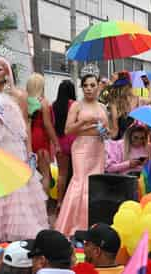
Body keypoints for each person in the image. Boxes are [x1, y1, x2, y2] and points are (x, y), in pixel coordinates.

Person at [0, 57, 48, 243]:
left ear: (7, 73)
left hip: (12, 147)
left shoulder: (19, 96)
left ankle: (14, 232)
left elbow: (25, 125)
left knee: (15, 189)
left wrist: (29, 152)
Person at [55, 74, 109, 236]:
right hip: (82, 147)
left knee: (95, 184)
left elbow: (109, 131)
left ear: (98, 86)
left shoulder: (102, 107)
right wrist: (84, 123)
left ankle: (91, 224)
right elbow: (67, 130)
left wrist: (104, 131)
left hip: (98, 146)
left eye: (92, 85)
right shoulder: (77, 106)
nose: (89, 89)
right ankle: (70, 225)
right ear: (82, 88)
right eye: (86, 86)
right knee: (79, 182)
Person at [27, 73, 60, 194]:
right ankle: (43, 206)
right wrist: (56, 143)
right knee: (45, 175)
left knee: (30, 175)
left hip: (28, 139)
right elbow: (47, 125)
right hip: (41, 139)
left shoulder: (24, 102)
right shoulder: (43, 102)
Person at [52, 80, 77, 210]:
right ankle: (71, 204)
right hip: (74, 142)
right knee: (75, 175)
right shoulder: (74, 105)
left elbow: (52, 125)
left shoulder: (54, 106)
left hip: (59, 142)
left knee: (62, 174)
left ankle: (59, 202)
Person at [108, 71, 151, 140]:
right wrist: (149, 88)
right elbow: (150, 99)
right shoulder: (138, 99)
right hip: (136, 141)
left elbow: (115, 130)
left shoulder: (114, 102)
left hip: (121, 143)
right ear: (130, 84)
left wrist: (106, 138)